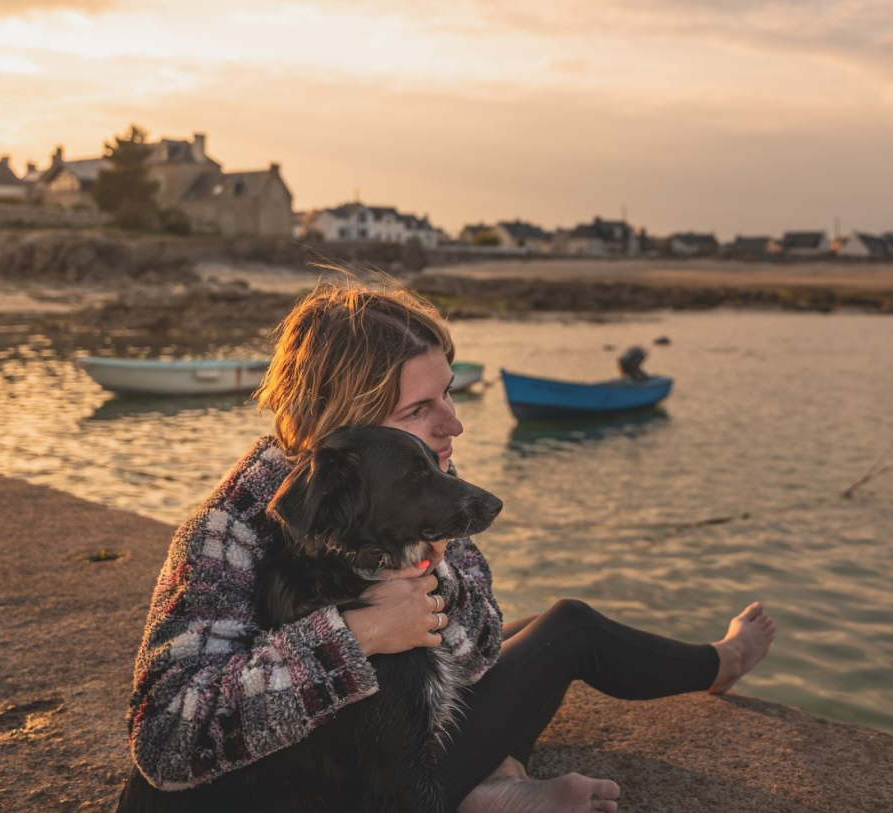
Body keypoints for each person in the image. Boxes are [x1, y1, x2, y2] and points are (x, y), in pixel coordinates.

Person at [126, 282, 776, 813]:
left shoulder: (408, 496)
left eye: (450, 393)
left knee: (545, 634)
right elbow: (164, 738)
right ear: (342, 422)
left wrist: (429, 563)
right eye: (419, 409)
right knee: (570, 628)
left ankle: (495, 777)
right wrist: (358, 634)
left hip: (379, 753)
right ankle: (717, 664)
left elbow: (481, 646)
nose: (453, 422)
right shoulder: (230, 528)